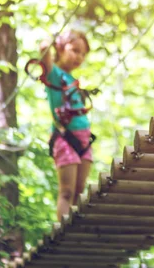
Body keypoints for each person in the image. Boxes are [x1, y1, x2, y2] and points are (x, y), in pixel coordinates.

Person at [39, 30, 93, 221]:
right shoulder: (54, 74)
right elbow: (44, 51)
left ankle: (75, 229)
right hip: (65, 139)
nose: (79, 57)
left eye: (83, 54)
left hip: (84, 139)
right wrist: (51, 40)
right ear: (60, 49)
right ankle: (62, 230)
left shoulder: (72, 80)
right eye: (74, 50)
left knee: (79, 192)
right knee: (67, 192)